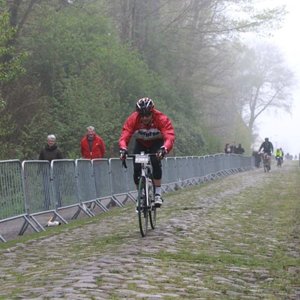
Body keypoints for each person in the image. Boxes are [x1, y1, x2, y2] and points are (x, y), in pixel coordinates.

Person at [119, 97, 175, 207]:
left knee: (155, 161)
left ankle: (158, 194)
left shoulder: (161, 119)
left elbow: (169, 136)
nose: (144, 118)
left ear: (152, 112)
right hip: (141, 144)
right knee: (136, 168)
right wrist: (123, 148)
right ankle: (140, 196)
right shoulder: (133, 119)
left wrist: (164, 148)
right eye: (142, 115)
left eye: (147, 115)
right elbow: (125, 135)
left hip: (156, 143)